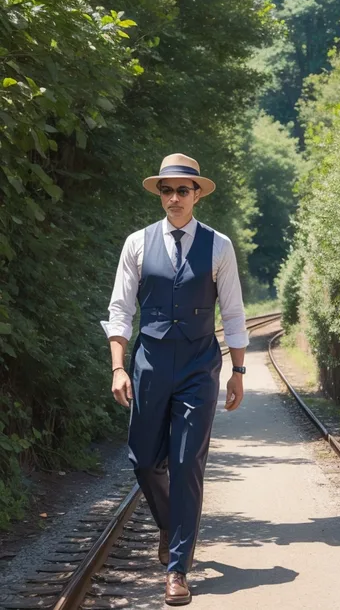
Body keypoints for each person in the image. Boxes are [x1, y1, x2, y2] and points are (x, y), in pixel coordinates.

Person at [101, 153, 248, 606]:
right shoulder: (138, 244)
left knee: (187, 465)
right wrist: (118, 366)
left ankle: (177, 568)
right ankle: (171, 525)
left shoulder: (218, 245)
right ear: (159, 195)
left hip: (199, 364)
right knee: (144, 460)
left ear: (197, 194)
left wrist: (238, 371)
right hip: (149, 362)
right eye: (167, 190)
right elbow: (121, 310)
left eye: (183, 190)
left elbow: (235, 312)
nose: (174, 198)